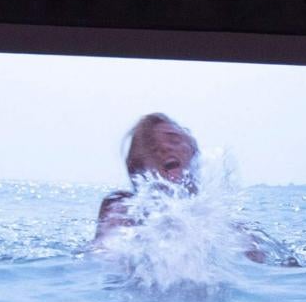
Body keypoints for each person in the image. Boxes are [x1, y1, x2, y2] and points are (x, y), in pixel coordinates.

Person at [94, 112, 268, 261]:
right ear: (140, 167)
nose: (165, 148)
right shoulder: (124, 209)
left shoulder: (224, 225)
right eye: (153, 148)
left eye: (174, 139)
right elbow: (103, 253)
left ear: (193, 151)